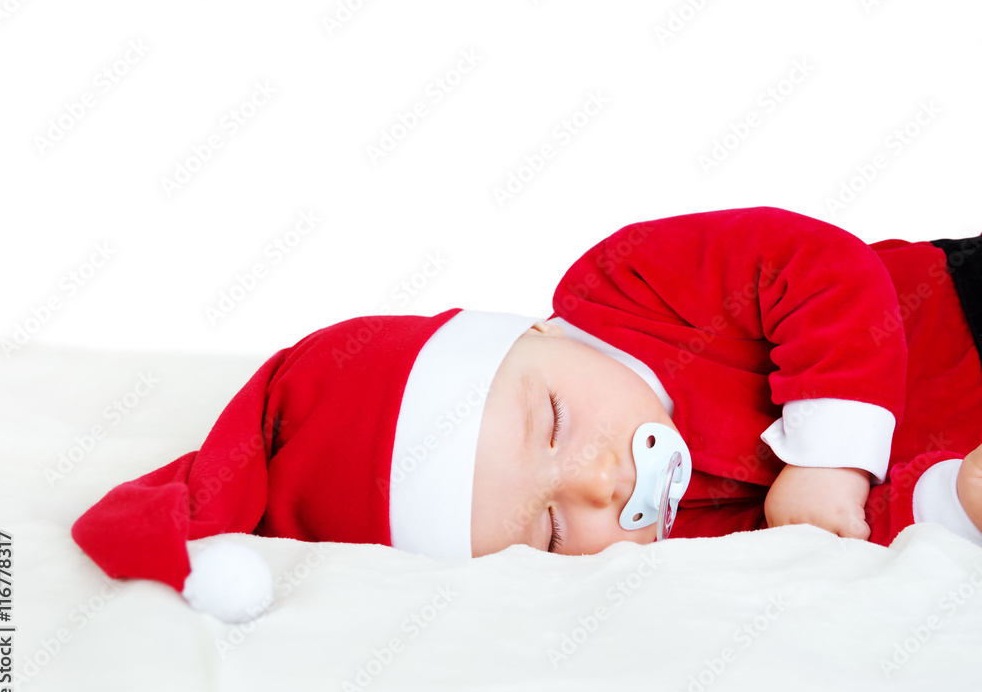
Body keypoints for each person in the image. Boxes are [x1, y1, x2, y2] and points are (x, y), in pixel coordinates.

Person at [71, 206, 982, 620]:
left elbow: (815, 265)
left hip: (951, 313)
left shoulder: (627, 287)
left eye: (552, 422)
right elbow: (833, 541)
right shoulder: (670, 552)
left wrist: (829, 455)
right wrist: (946, 507)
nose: (599, 479)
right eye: (551, 531)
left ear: (541, 334)